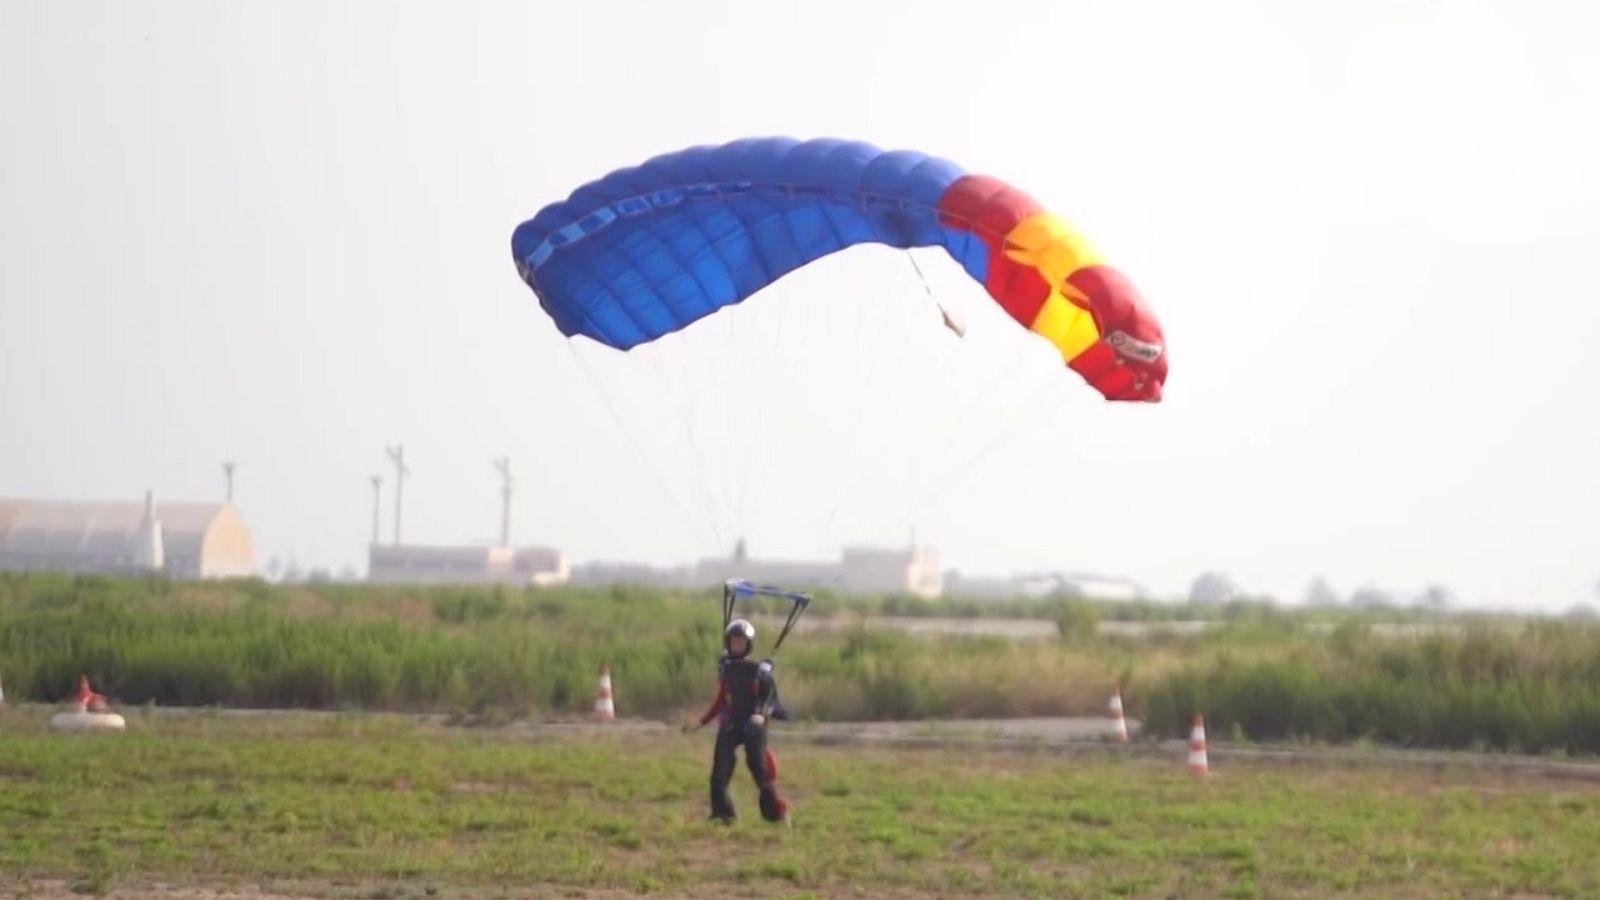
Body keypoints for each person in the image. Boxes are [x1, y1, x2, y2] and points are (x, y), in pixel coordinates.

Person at [685, 618, 790, 825]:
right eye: (734, 642)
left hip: (753, 726)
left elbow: (769, 699)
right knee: (719, 771)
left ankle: (776, 814)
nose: (737, 645)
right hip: (731, 725)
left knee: (759, 770)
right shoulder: (726, 669)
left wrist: (760, 715)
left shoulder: (759, 672)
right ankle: (723, 815)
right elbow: (721, 701)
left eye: (741, 642)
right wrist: (701, 722)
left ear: (748, 644)